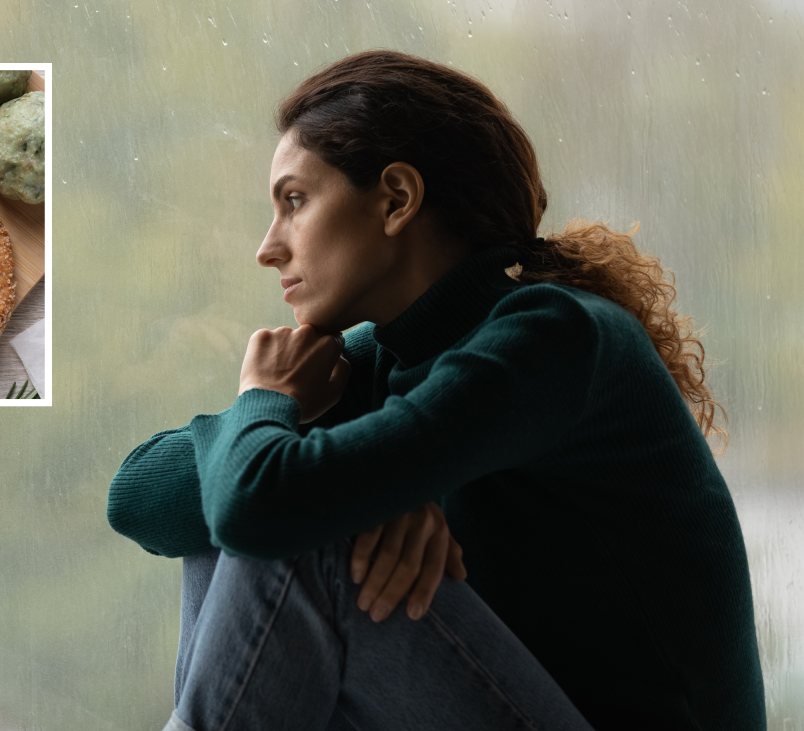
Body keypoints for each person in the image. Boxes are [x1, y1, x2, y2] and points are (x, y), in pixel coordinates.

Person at [107, 50, 764, 730]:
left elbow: (261, 509)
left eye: (294, 201)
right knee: (233, 504)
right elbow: (136, 498)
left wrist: (269, 412)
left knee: (283, 514)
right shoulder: (381, 358)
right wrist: (309, 439)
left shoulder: (556, 336)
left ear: (396, 198)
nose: (267, 247)